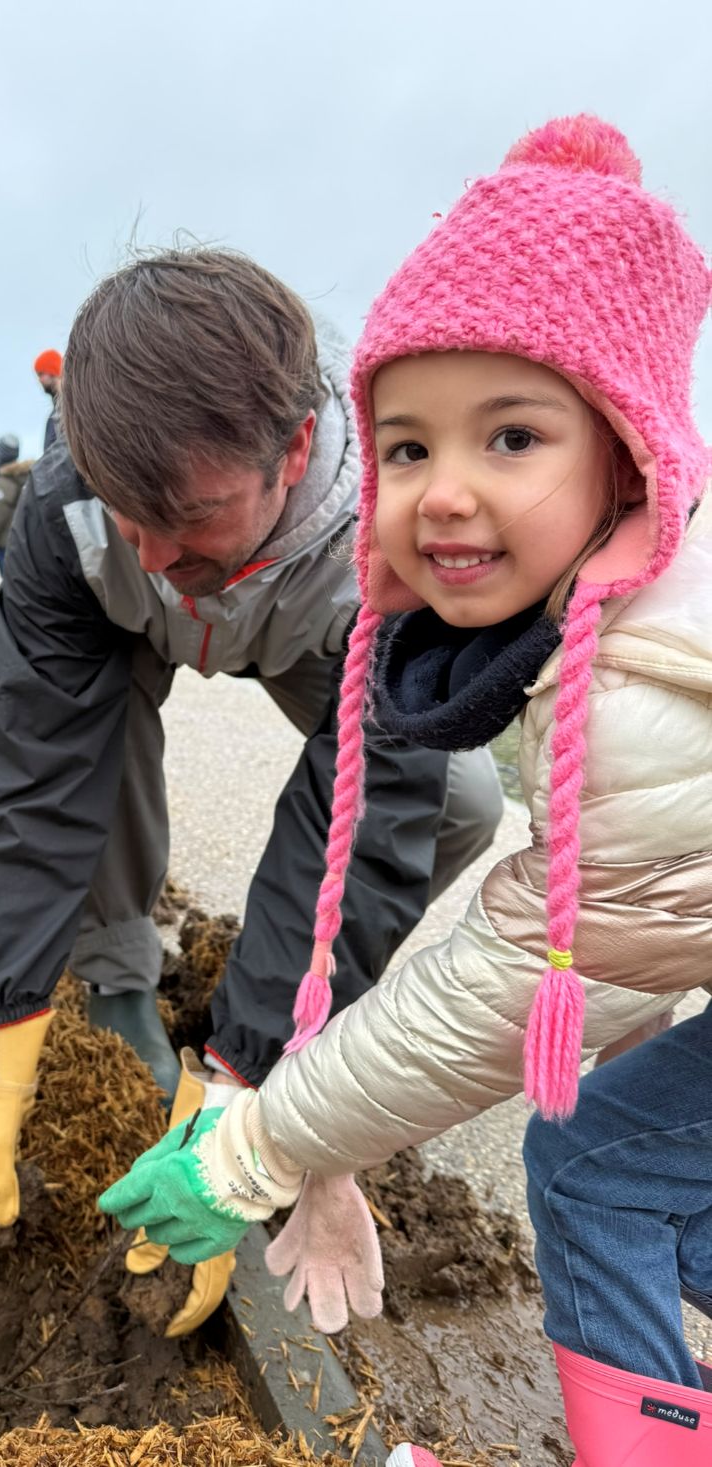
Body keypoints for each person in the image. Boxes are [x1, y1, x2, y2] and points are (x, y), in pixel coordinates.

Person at [100, 117, 712, 1466]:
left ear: (624, 444)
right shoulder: (635, 591)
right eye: (411, 445)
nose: (444, 494)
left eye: (510, 436)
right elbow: (657, 927)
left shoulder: (642, 682)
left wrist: (246, 1151)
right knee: (624, 1155)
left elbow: (513, 983)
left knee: (597, 1164)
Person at [0, 248, 503, 1338]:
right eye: (122, 510)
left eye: (185, 513)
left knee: (460, 799)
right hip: (122, 635)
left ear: (291, 451)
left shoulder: (398, 533)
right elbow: (31, 763)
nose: (150, 550)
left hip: (310, 625)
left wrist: (242, 1085)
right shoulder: (68, 518)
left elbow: (365, 810)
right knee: (90, 763)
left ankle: (302, 1027)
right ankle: (119, 981)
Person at [0, 434, 30, 576]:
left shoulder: (7, 479)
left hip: (6, 540)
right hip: (23, 539)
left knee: (8, 579)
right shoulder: (24, 476)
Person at [34, 348, 62, 450]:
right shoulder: (55, 413)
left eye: (41, 374)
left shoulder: (68, 409)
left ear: (52, 371)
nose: (39, 380)